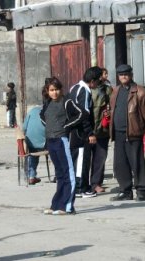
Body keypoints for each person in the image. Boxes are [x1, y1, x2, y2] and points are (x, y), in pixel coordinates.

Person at [40, 77, 87, 215]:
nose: (54, 93)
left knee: (68, 174)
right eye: (52, 90)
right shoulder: (48, 102)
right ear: (47, 91)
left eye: (57, 89)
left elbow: (82, 114)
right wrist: (49, 127)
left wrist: (66, 126)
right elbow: (42, 115)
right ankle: (56, 205)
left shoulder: (67, 101)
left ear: (61, 89)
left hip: (62, 140)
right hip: (51, 141)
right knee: (60, 174)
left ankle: (67, 207)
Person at [110, 64, 145, 201]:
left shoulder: (140, 91)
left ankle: (141, 190)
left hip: (133, 133)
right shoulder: (115, 91)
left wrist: (139, 127)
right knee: (120, 164)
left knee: (137, 162)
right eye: (121, 74)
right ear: (118, 76)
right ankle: (125, 190)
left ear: (131, 74)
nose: (123, 76)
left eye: (126, 74)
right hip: (118, 133)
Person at [68, 66, 102, 198]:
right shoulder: (84, 91)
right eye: (98, 81)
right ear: (93, 81)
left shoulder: (74, 87)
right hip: (81, 133)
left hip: (74, 131)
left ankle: (79, 186)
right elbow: (84, 115)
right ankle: (81, 188)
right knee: (82, 160)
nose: (99, 84)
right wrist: (90, 133)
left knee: (77, 159)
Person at [90, 68, 113, 193]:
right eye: (102, 75)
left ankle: (96, 183)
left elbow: (112, 105)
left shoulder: (107, 90)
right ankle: (84, 183)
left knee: (100, 157)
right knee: (86, 159)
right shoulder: (87, 90)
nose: (104, 76)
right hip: (89, 129)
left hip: (103, 129)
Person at [23, 105, 46, 185]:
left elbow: (24, 127)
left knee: (33, 154)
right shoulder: (48, 111)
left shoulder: (32, 111)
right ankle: (58, 175)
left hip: (30, 143)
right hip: (44, 144)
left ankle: (31, 176)